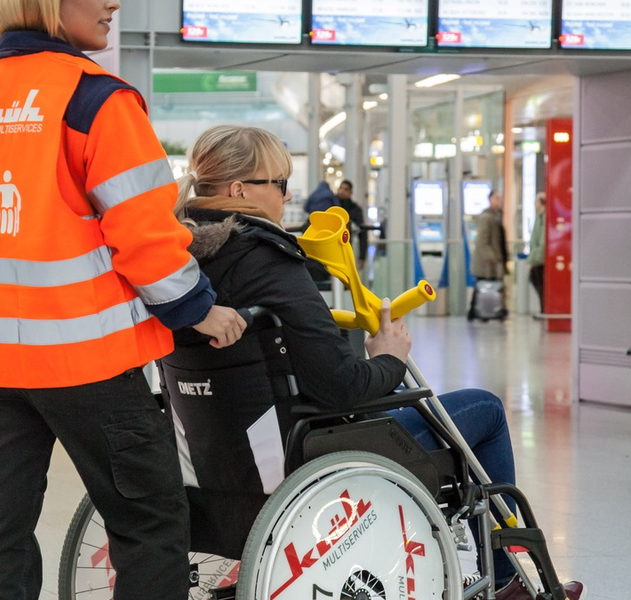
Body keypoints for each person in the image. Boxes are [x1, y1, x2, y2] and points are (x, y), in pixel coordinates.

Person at [173, 125, 584, 600]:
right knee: (486, 410)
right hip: (311, 456)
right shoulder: (270, 262)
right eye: (279, 184)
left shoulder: (175, 267)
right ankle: (508, 581)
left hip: (217, 478)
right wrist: (388, 356)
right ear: (239, 190)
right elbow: (342, 387)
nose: (287, 198)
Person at [0, 2, 247, 600]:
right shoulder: (95, 101)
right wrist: (201, 308)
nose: (112, 4)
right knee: (149, 521)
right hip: (84, 360)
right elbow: (145, 235)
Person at [468, 189, 509, 321]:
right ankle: (479, 312)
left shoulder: (496, 216)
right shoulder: (487, 218)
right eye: (496, 198)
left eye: (500, 198)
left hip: (492, 261)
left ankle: (488, 311)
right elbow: (483, 242)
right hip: (486, 263)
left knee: (487, 287)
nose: (499, 201)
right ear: (490, 199)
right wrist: (494, 258)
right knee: (482, 287)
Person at [335, 179, 377, 270]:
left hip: (346, 250)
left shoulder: (355, 209)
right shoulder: (331, 205)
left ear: (351, 192)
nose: (342, 191)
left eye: (346, 189)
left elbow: (362, 233)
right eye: (341, 188)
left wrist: (362, 257)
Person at [528, 192, 546, 313]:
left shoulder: (544, 217)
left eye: (536, 202)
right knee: (536, 281)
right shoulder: (540, 217)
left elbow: (542, 240)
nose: (535, 205)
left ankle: (543, 309)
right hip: (537, 257)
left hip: (540, 259)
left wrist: (536, 257)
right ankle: (542, 308)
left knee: (540, 284)